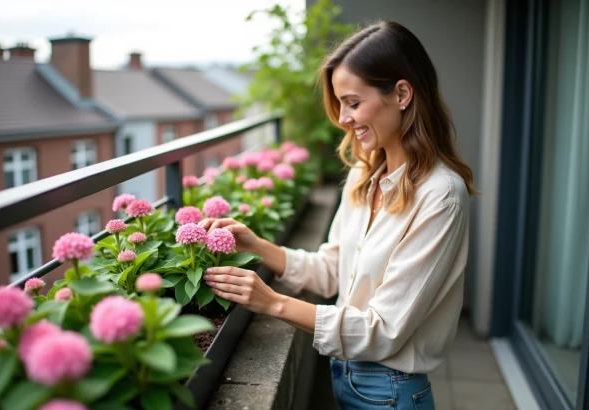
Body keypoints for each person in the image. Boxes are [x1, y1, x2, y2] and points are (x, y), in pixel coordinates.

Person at [200, 20, 477, 410]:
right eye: (340, 103)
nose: (343, 119)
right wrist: (257, 246)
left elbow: (384, 331)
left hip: (392, 393)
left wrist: (271, 303)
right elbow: (334, 270)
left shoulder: (441, 196)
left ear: (401, 93)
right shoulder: (365, 174)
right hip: (346, 377)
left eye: (353, 102)